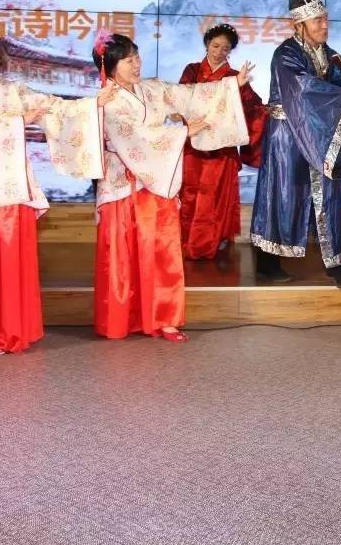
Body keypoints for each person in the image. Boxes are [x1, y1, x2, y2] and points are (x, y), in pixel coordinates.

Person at [0, 23, 113, 357]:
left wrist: (91, 105)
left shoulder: (12, 91)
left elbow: (53, 105)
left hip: (11, 186)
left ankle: (11, 331)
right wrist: (18, 122)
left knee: (10, 263)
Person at [94, 32, 254, 342]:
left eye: (137, 57)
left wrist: (231, 85)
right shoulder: (108, 101)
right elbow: (135, 137)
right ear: (111, 66)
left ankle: (163, 317)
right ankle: (122, 318)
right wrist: (182, 133)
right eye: (128, 61)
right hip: (123, 185)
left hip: (156, 180)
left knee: (162, 251)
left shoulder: (150, 89)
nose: (137, 65)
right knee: (124, 256)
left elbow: (188, 94)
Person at [249, 0, 341, 290]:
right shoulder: (285, 55)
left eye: (325, 19)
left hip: (320, 133)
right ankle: (268, 263)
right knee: (284, 194)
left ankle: (337, 265)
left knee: (329, 195)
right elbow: (304, 89)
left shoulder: (328, 54)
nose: (325, 25)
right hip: (287, 137)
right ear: (299, 25)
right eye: (318, 20)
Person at [178, 23, 267, 261]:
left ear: (230, 51)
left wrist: (270, 109)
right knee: (190, 194)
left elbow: (253, 108)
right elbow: (184, 98)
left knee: (214, 197)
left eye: (225, 48)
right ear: (207, 44)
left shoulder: (235, 76)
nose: (219, 51)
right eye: (215, 45)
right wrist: (229, 88)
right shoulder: (192, 70)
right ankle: (187, 241)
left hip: (222, 149)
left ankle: (211, 242)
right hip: (194, 144)